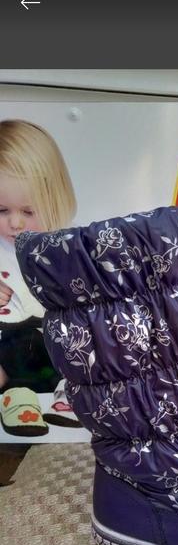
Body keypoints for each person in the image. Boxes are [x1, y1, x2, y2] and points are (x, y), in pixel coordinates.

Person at [0, 119, 76, 397]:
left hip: (46, 356)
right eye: (1, 210)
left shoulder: (67, 249)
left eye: (28, 212)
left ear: (55, 202)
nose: (15, 223)